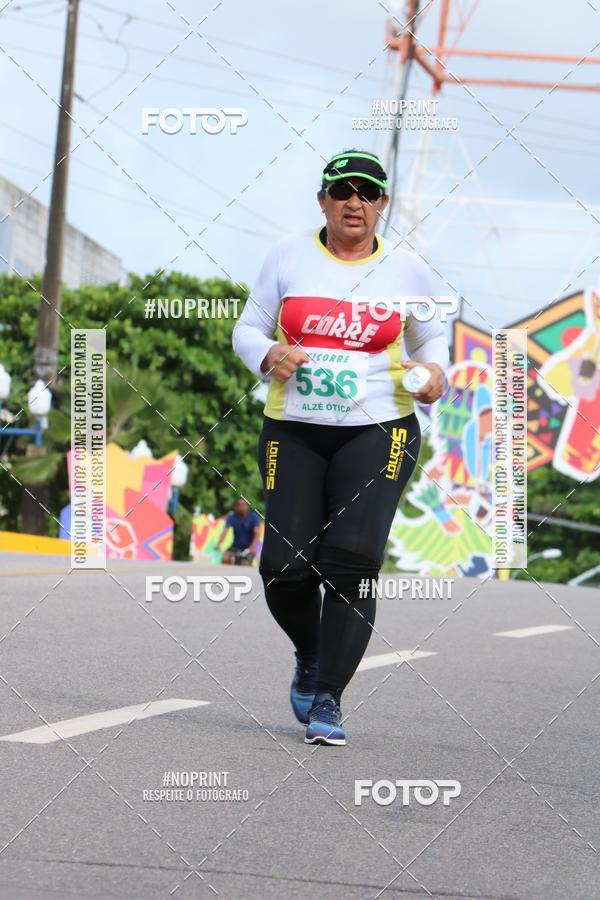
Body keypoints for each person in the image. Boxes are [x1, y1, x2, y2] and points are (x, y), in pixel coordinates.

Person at [232, 149, 449, 745]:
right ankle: (311, 653)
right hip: (295, 429)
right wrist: (266, 353)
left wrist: (436, 374)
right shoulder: (288, 255)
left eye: (368, 193)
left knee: (352, 563)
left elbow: (432, 338)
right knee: (283, 568)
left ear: (383, 205)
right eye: (343, 190)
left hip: (380, 429)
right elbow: (247, 327)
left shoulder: (408, 270)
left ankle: (328, 697)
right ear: (323, 200)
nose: (356, 202)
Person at [218, 496, 262, 565]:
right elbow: (225, 531)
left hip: (248, 548)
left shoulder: (253, 517)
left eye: (243, 505)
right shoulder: (232, 517)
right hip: (235, 547)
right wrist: (219, 544)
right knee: (225, 559)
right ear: (236, 507)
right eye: (239, 505)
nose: (242, 507)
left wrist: (253, 546)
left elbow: (257, 533)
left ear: (247, 506)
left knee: (245, 563)